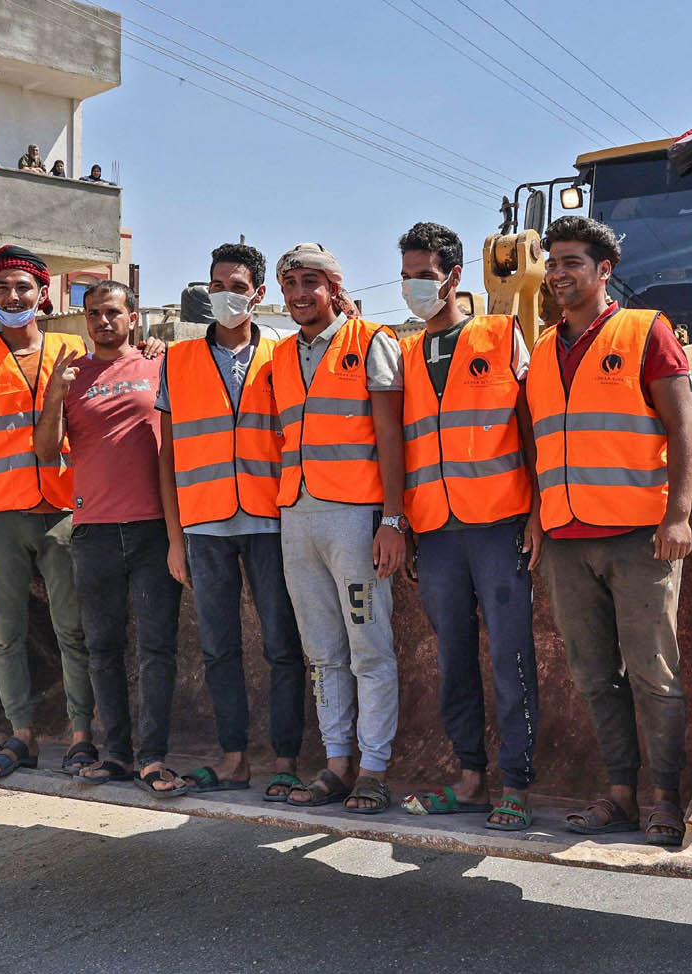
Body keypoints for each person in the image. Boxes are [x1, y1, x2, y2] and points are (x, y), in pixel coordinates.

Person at [526, 216, 692, 847]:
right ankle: (620, 792)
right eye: (553, 263)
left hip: (637, 535)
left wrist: (677, 515)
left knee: (652, 671)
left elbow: (684, 429)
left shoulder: (646, 331)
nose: (558, 274)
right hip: (567, 538)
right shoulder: (543, 349)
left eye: (572, 262)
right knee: (594, 674)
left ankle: (665, 796)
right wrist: (536, 518)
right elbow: (540, 443)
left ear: (604, 271)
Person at [393, 223, 540, 831]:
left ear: (453, 277)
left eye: (423, 275)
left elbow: (532, 424)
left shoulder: (502, 335)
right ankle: (471, 776)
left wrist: (538, 510)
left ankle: (518, 781)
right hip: (436, 531)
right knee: (452, 658)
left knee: (510, 656)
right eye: (406, 274)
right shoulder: (403, 353)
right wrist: (400, 523)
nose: (411, 286)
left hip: (498, 523)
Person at [155, 243, 306, 798]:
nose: (226, 296)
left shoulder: (285, 357)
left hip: (270, 521)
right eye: (217, 285)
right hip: (205, 524)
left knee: (282, 645)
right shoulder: (178, 359)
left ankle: (287, 758)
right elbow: (167, 454)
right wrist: (175, 538)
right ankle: (233, 757)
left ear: (258, 294)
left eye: (237, 287)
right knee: (219, 647)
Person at [0, 245, 96, 778]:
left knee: (72, 630)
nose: (13, 296)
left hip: (62, 510)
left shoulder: (73, 346)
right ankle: (21, 735)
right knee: (5, 634)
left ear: (43, 294)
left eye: (23, 287)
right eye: (3, 286)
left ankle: (81, 736)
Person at [34, 281, 190, 797]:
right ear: (85, 320)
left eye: (113, 312)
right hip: (93, 531)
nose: (103, 321)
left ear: (134, 315)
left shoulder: (159, 365)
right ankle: (116, 753)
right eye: (94, 314)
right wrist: (56, 392)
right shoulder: (73, 377)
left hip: (152, 528)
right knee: (102, 648)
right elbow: (45, 451)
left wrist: (175, 536)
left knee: (156, 649)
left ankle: (153, 756)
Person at [272, 242, 405, 815]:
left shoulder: (370, 341)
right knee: (323, 652)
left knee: (368, 647)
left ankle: (374, 769)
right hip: (297, 516)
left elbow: (391, 435)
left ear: (334, 286)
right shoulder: (279, 356)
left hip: (355, 518)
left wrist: (393, 519)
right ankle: (337, 763)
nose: (301, 294)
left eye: (311, 282)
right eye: (291, 284)